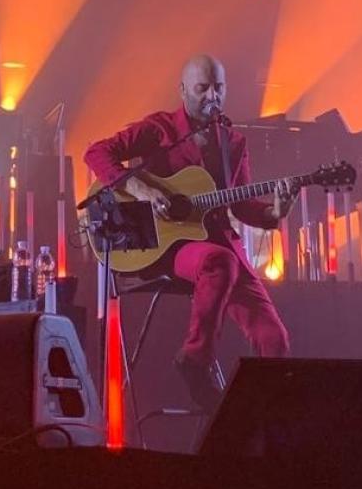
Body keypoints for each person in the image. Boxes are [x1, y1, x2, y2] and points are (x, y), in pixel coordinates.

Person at [84, 54, 294, 410]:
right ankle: (195, 359)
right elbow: (96, 152)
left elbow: (242, 206)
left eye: (219, 87)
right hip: (168, 245)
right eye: (202, 87)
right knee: (218, 261)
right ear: (182, 90)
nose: (212, 95)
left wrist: (275, 212)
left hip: (218, 242)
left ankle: (263, 419)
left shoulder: (234, 142)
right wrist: (143, 190)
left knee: (274, 338)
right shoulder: (158, 130)